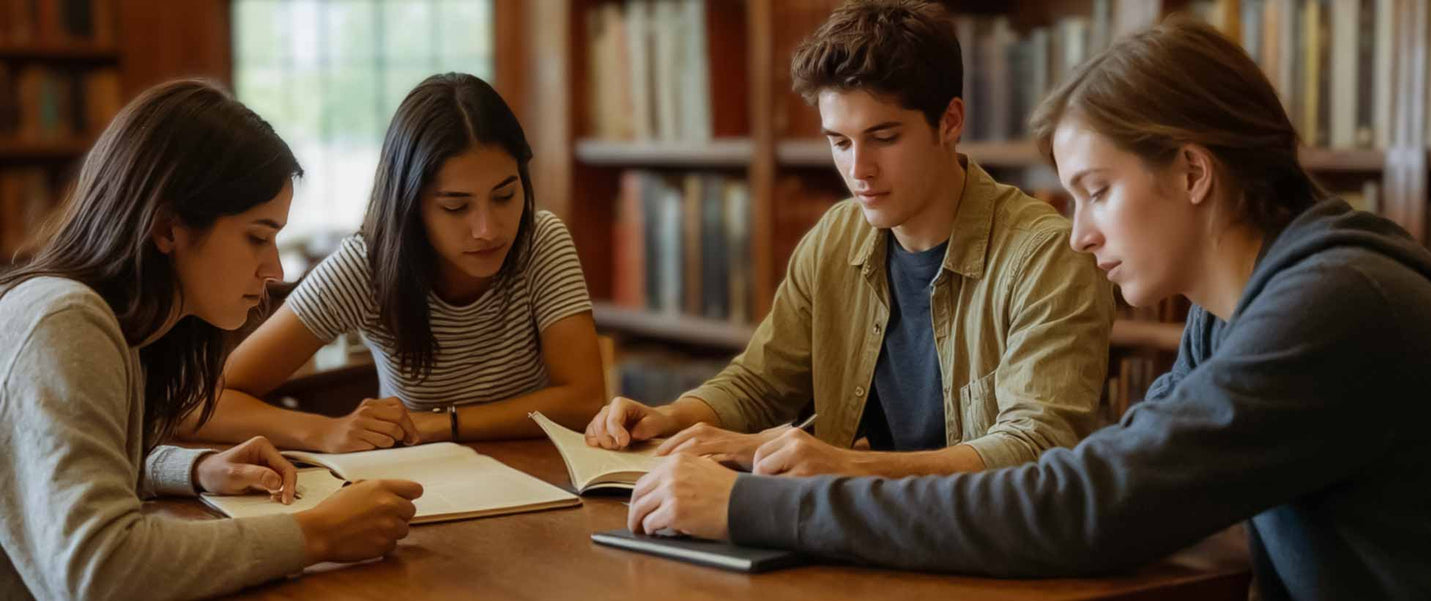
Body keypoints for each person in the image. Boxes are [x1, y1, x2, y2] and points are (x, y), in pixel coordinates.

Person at [624, 16, 1431, 600]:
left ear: (1192, 174)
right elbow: (1099, 478)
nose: (1078, 234)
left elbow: (1081, 506)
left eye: (1095, 191)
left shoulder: (1332, 310)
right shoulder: (1234, 313)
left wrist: (753, 508)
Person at [586, 0, 1114, 479]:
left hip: (985, 551)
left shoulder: (1046, 256)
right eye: (839, 142)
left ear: (950, 121)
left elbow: (1036, 448)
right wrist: (670, 417)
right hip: (855, 531)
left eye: (884, 138)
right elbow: (761, 382)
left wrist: (841, 463)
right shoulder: (837, 235)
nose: (858, 169)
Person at [0, 80, 423, 601]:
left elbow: (68, 466)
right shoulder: (66, 321)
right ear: (167, 228)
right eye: (257, 237)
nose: (274, 268)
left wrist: (197, 468)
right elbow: (98, 570)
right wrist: (316, 534)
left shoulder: (114, 325)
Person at [181, 73, 604, 452]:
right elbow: (202, 405)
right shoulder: (366, 266)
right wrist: (321, 431)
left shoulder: (541, 239)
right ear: (410, 206)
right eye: (456, 207)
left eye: (505, 196)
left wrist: (441, 424)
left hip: (543, 477)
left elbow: (583, 400)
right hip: (425, 487)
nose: (488, 229)